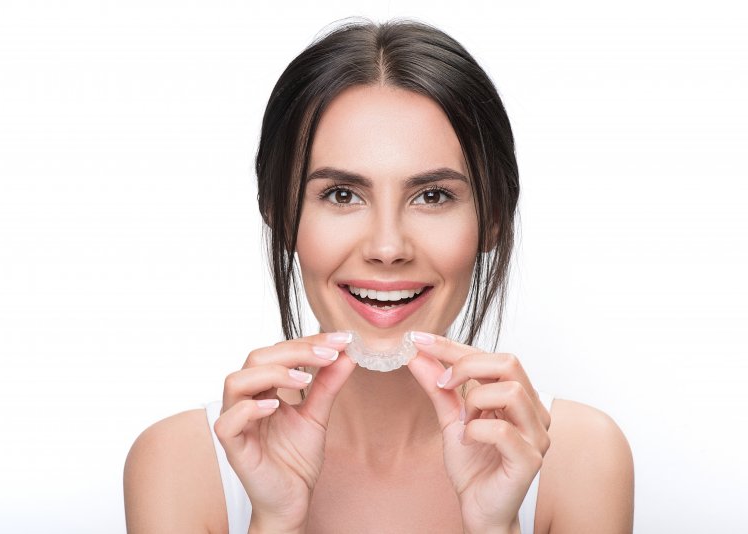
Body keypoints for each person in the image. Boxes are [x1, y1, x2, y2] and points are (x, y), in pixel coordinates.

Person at [123, 19, 634, 533]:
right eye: (342, 195)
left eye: (432, 196)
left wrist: (496, 526)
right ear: (279, 213)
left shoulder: (580, 458)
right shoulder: (181, 465)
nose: (387, 248)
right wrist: (274, 520)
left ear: (493, 218)